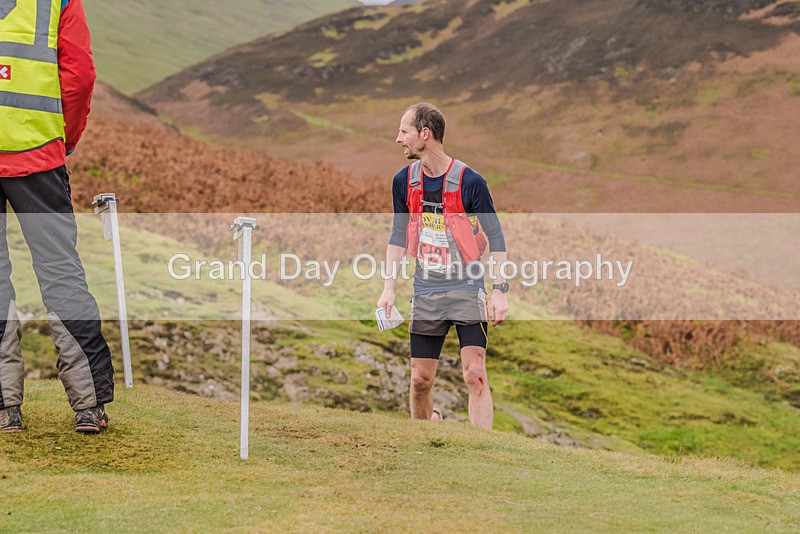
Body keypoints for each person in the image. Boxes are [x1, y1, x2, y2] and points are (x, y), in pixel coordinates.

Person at [0, 0, 113, 433]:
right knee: (61, 273)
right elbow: (79, 76)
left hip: (40, 155)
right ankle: (89, 405)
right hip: (39, 158)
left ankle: (5, 409)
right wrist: (63, 138)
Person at [377, 103, 509, 429]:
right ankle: (424, 437)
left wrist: (499, 291)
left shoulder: (470, 182)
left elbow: (496, 236)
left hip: (467, 285)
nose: (398, 139)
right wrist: (388, 289)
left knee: (475, 374)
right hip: (426, 288)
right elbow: (397, 235)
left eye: (404, 131)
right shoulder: (403, 181)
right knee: (420, 379)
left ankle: (481, 449)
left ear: (425, 134)